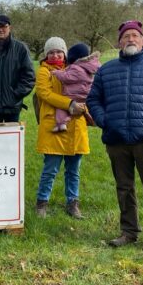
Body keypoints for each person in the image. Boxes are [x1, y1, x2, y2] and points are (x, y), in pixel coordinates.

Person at [86, 20, 143, 256]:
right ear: (119, 42)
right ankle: (129, 232)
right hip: (116, 139)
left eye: (135, 36)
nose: (130, 39)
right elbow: (93, 100)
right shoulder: (106, 70)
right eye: (126, 36)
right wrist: (104, 120)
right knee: (124, 188)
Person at [34, 37, 90, 219]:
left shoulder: (76, 69)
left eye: (59, 51)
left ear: (65, 53)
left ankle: (72, 203)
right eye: (51, 52)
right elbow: (45, 93)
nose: (55, 55)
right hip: (54, 127)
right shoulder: (44, 71)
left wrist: (84, 108)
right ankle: (41, 203)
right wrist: (69, 103)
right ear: (46, 54)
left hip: (75, 127)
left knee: (74, 170)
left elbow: (85, 91)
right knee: (50, 169)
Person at [50, 43, 101, 132]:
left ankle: (61, 124)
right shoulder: (89, 67)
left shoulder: (76, 67)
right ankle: (92, 119)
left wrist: (57, 73)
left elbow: (67, 77)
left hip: (73, 95)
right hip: (84, 95)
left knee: (62, 107)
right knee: (79, 110)